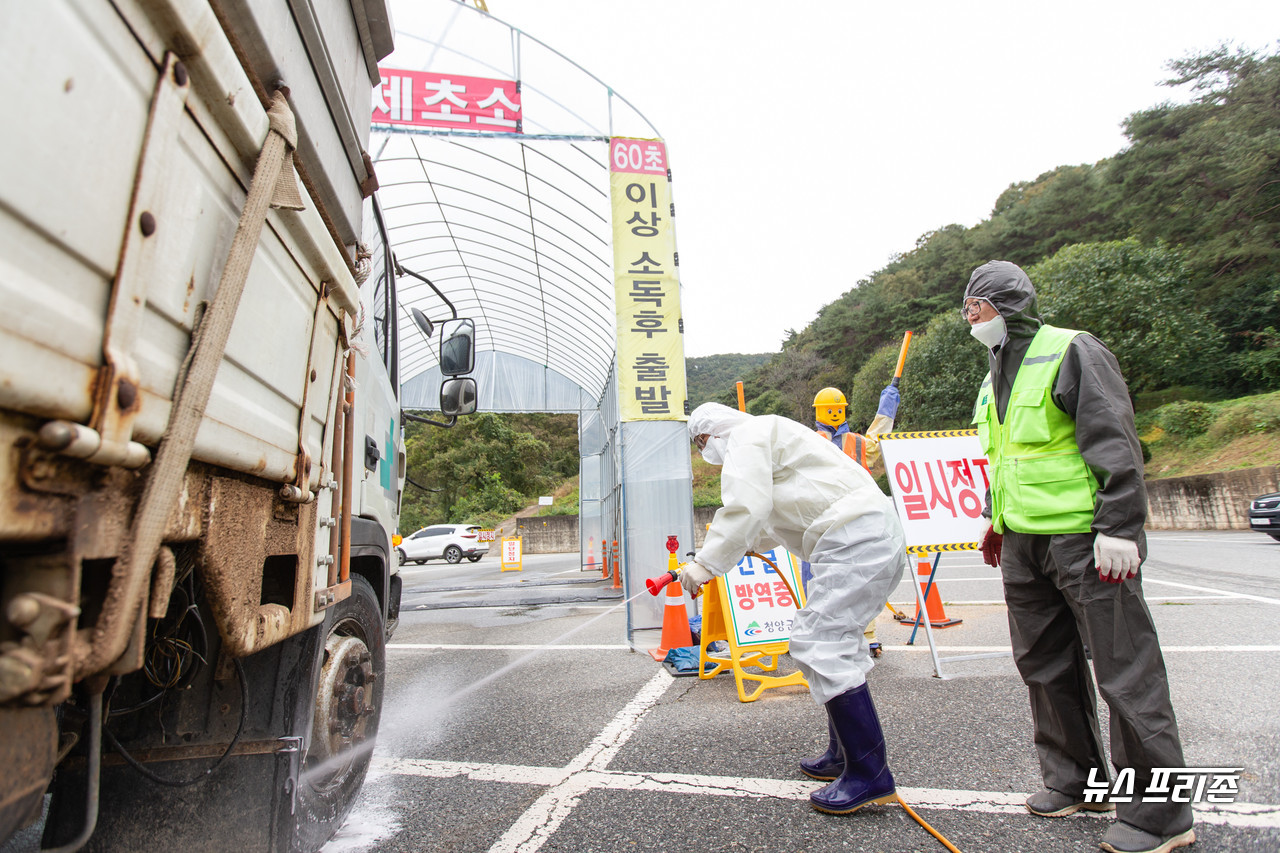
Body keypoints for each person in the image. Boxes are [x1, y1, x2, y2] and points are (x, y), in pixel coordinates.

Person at [962, 261, 1194, 853]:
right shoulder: (992, 378)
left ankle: (1161, 818)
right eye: (965, 307)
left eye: (976, 306)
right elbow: (1008, 458)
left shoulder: (1071, 350)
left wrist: (1120, 525)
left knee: (1126, 672)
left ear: (1007, 305)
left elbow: (1111, 435)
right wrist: (997, 521)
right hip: (1023, 544)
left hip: (1087, 541)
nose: (969, 317)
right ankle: (1075, 780)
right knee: (1044, 664)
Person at [683, 403, 907, 815]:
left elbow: (745, 508)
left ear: (709, 433)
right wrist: (739, 546)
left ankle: (869, 773)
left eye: (701, 443)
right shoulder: (773, 432)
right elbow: (769, 516)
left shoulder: (746, 437)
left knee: (818, 642)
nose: (705, 452)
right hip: (866, 534)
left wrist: (704, 565)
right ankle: (844, 757)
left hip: (853, 539)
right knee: (838, 643)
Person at [811, 385, 902, 657]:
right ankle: (865, 634)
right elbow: (879, 441)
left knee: (825, 578)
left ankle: (831, 634)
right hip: (854, 520)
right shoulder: (857, 442)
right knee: (860, 577)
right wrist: (886, 410)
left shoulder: (810, 440)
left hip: (825, 522)